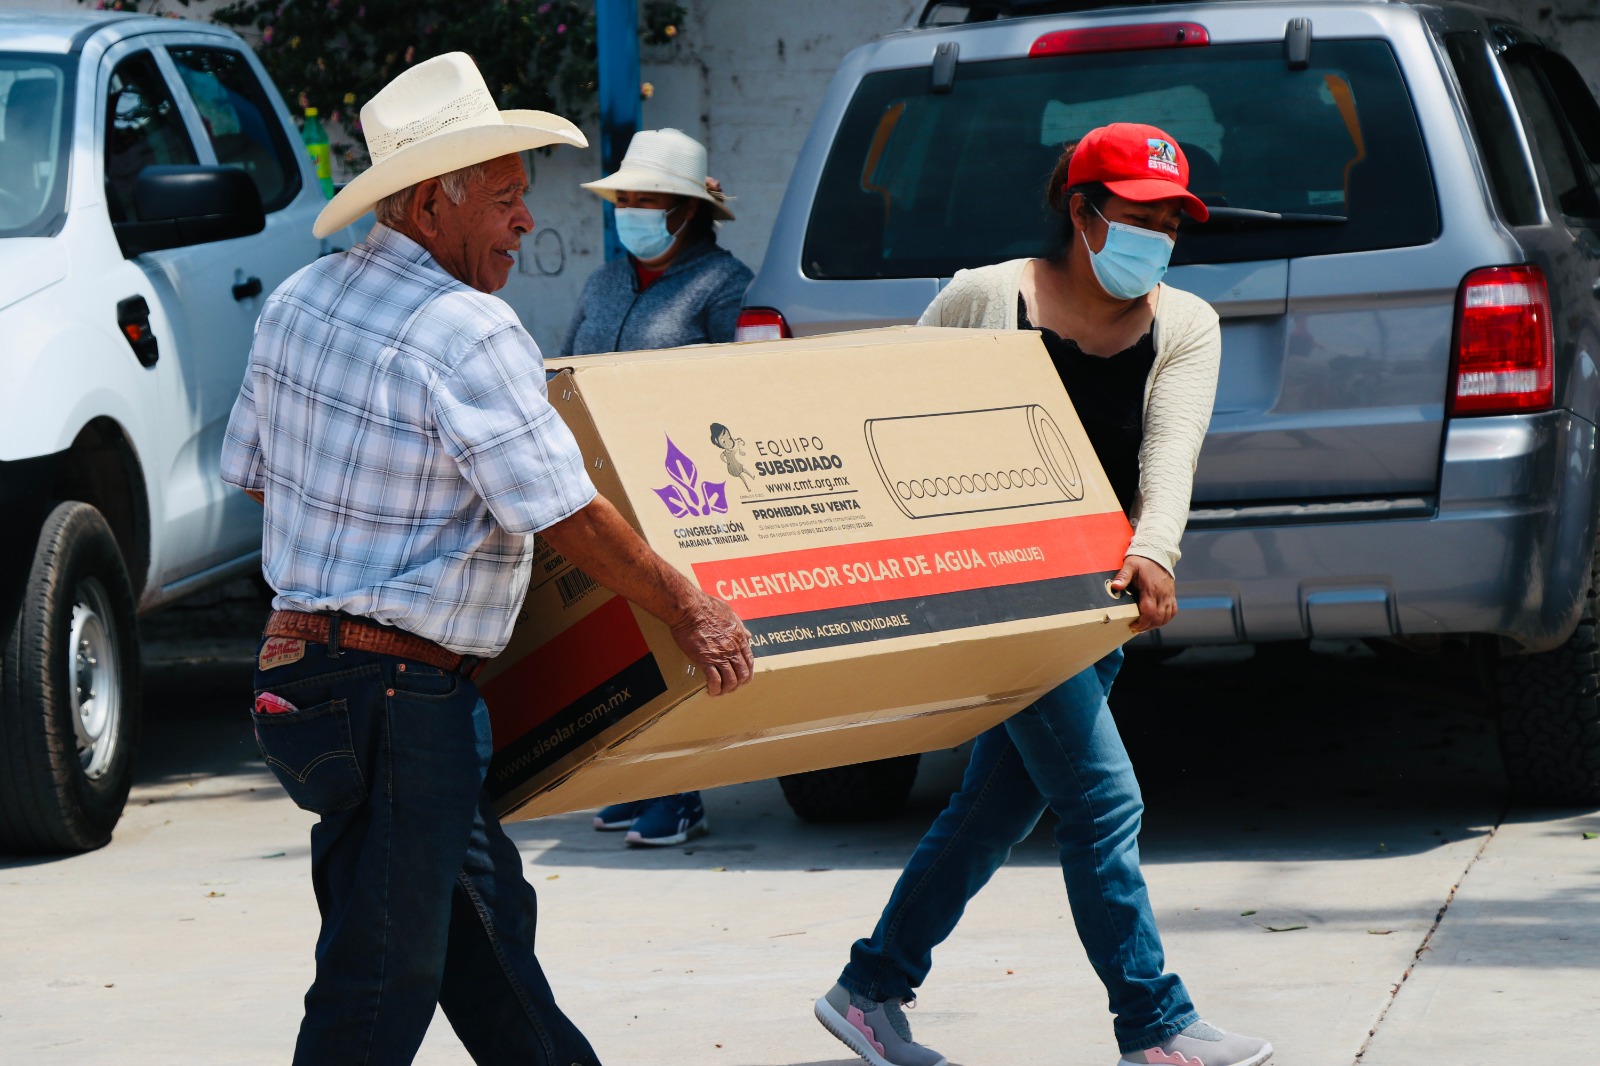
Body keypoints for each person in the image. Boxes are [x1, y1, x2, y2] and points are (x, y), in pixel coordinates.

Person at [220, 53, 753, 1066]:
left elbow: (255, 472)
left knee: (490, 952)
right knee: (379, 983)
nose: (524, 223)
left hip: (305, 678)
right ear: (430, 204)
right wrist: (689, 608)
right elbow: (564, 515)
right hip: (400, 698)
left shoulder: (297, 300)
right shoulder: (469, 329)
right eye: (506, 199)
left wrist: (374, 533)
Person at [813, 124, 1272, 1066]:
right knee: (1105, 801)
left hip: (1093, 601)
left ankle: (870, 989)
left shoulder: (1186, 325)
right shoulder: (985, 297)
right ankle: (1154, 1025)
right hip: (991, 596)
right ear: (1081, 210)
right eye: (1137, 218)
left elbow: (1169, 457)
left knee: (994, 809)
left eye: (1172, 223)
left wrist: (1157, 554)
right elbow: (892, 418)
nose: (1157, 239)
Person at [561, 127, 755, 846]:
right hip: (598, 485)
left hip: (681, 488)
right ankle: (646, 779)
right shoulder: (604, 282)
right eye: (625, 200)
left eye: (647, 201)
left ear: (685, 211)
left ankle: (682, 792)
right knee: (619, 634)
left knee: (678, 627)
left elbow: (739, 388)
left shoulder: (725, 285)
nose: (632, 212)